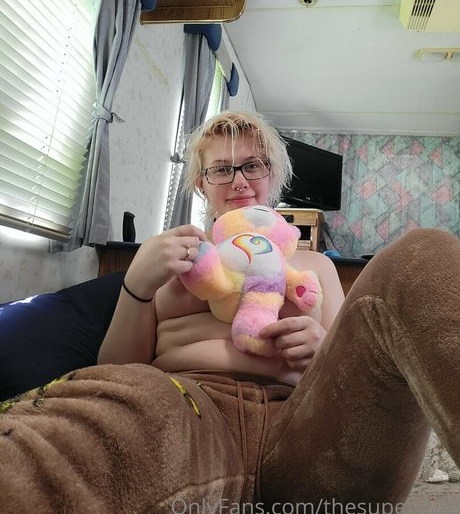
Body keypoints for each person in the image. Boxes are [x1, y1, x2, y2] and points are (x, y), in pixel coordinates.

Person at [1, 111, 459, 514]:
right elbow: (115, 371)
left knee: (423, 251)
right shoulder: (172, 261)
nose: (239, 181)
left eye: (253, 165)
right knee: (47, 450)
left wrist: (323, 350)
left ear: (273, 176)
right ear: (201, 183)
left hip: (311, 430)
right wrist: (136, 284)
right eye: (221, 169)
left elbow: (357, 374)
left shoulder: (317, 265)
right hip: (185, 413)